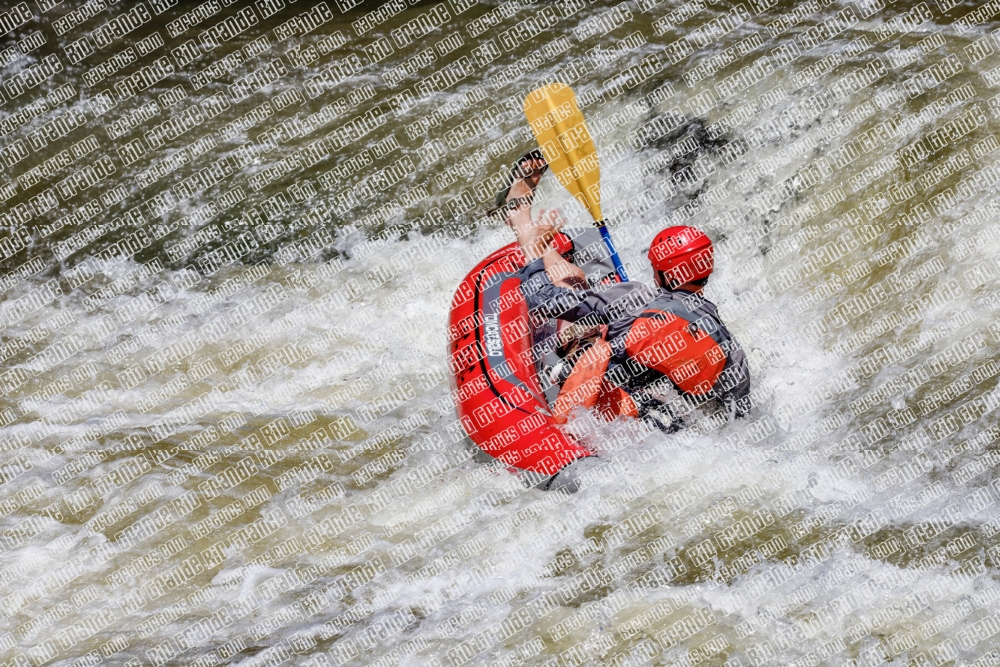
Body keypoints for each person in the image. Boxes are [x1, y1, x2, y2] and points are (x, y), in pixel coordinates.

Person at [495, 152, 751, 490]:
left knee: (571, 283)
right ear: (706, 273)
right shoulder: (730, 346)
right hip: (677, 442)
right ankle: (527, 225)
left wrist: (539, 257)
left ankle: (521, 219)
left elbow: (546, 302)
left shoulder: (636, 298)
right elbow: (739, 411)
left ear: (658, 271)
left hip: (618, 426)